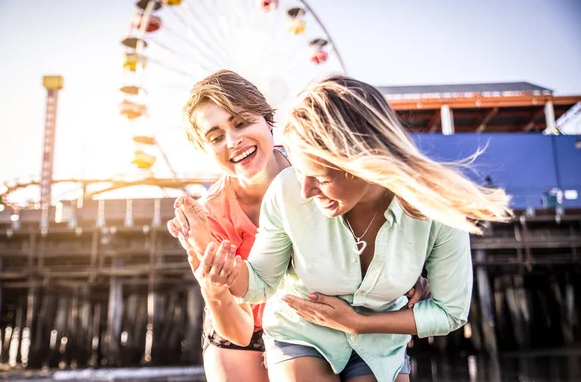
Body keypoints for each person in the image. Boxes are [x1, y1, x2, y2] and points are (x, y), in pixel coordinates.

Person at [187, 75, 511, 382]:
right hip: (292, 327)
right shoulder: (269, 195)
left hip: (379, 336)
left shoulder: (432, 207)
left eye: (322, 179)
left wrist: (364, 320)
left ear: (361, 162)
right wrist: (216, 281)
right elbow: (254, 295)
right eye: (216, 136)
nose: (307, 191)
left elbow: (450, 312)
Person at [167, 71, 427, 381]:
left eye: (241, 122)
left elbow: (375, 232)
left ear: (267, 119)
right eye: (216, 137)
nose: (233, 142)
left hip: (318, 324)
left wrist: (411, 276)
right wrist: (212, 287)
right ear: (204, 149)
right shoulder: (208, 216)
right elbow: (238, 331)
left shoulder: (322, 177)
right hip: (243, 328)